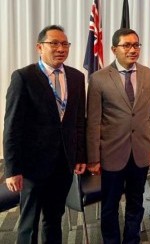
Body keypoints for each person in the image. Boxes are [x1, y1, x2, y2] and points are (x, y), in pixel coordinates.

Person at [3, 25, 86, 243]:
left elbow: (78, 121)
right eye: (54, 44)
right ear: (40, 47)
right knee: (29, 223)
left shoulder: (77, 78)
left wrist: (79, 156)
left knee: (54, 219)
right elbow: (12, 126)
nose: (61, 48)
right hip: (33, 166)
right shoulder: (24, 77)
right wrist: (12, 169)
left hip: (63, 164)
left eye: (65, 44)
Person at [86, 28, 150, 243]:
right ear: (113, 49)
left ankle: (132, 239)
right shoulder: (99, 78)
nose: (133, 49)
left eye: (136, 45)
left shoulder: (149, 75)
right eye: (126, 45)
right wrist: (93, 158)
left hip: (140, 151)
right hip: (111, 153)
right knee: (109, 206)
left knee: (136, 203)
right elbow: (93, 121)